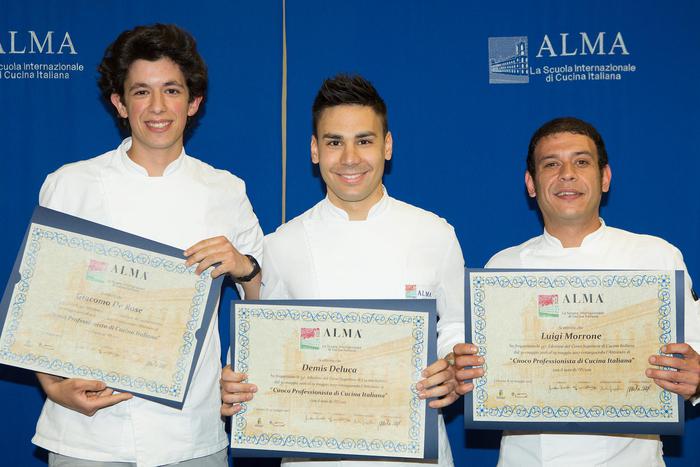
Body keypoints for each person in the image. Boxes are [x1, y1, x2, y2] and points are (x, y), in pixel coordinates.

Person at [32, 23, 263, 467]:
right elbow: (39, 304)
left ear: (193, 102)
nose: (158, 107)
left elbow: (266, 297)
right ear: (120, 103)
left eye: (172, 91)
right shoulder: (70, 184)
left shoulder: (225, 190)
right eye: (141, 92)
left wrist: (242, 265)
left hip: (191, 435)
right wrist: (52, 385)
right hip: (87, 435)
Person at [220, 74, 472, 466]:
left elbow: (457, 327)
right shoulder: (283, 244)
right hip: (313, 456)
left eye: (364, 141)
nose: (350, 158)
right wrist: (238, 380)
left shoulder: (434, 233)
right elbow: (262, 346)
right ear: (315, 150)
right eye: (335, 142)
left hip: (415, 453)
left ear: (387, 146)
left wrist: (454, 365)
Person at [454, 117, 700, 466]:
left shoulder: (656, 256)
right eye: (551, 164)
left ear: (605, 177)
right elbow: (489, 374)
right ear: (531, 183)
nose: (567, 174)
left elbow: (694, 351)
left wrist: (697, 376)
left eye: (581, 162)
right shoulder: (501, 268)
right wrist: (468, 371)